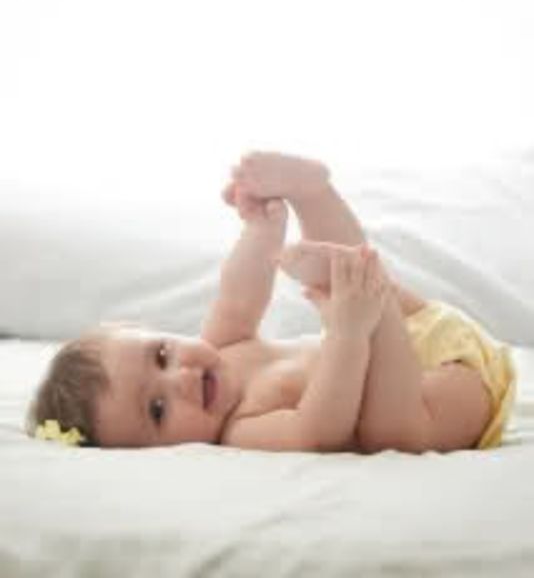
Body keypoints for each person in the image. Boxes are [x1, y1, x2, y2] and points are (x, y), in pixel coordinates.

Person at [28, 152, 517, 454]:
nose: (180, 378)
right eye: (157, 409)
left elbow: (238, 295)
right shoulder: (241, 429)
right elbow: (318, 430)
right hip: (444, 391)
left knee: (347, 274)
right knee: (391, 436)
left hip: (413, 331)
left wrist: (262, 230)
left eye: (161, 354)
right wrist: (349, 334)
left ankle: (311, 194)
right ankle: (367, 300)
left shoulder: (221, 345)